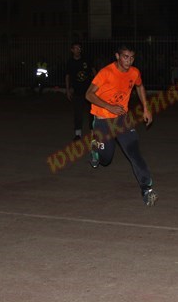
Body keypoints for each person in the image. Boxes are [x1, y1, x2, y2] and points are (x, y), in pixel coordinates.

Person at [85, 44, 157, 206]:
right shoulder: (106, 72)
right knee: (106, 160)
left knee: (134, 153)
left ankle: (147, 189)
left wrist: (146, 108)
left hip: (122, 120)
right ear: (117, 56)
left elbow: (140, 86)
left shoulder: (134, 72)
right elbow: (88, 94)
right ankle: (96, 148)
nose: (129, 61)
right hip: (103, 119)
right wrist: (109, 106)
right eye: (125, 57)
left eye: (131, 57)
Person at [65, 41, 96, 140]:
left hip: (88, 91)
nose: (78, 50)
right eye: (75, 48)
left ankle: (92, 132)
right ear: (72, 50)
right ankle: (78, 133)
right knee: (78, 113)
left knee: (92, 112)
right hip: (77, 91)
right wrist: (68, 89)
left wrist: (97, 86)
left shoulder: (86, 60)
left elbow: (94, 72)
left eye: (79, 48)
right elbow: (67, 76)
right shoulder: (70, 62)